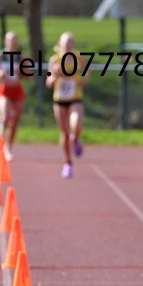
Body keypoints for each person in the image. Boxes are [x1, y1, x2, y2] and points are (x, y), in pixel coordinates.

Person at [46, 32, 88, 179]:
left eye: (71, 43)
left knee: (76, 125)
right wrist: (54, 75)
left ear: (74, 45)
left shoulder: (78, 57)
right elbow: (49, 82)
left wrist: (84, 80)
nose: (68, 45)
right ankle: (68, 163)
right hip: (60, 99)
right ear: (60, 44)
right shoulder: (55, 60)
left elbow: (87, 69)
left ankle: (75, 139)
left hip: (75, 97)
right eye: (66, 43)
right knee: (64, 132)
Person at [0, 32, 27, 161]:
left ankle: (8, 147)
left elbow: (28, 75)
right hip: (4, 90)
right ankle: (2, 132)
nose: (13, 43)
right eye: (10, 40)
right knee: (6, 116)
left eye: (15, 40)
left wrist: (21, 70)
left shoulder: (21, 57)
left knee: (15, 121)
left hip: (17, 90)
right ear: (6, 41)